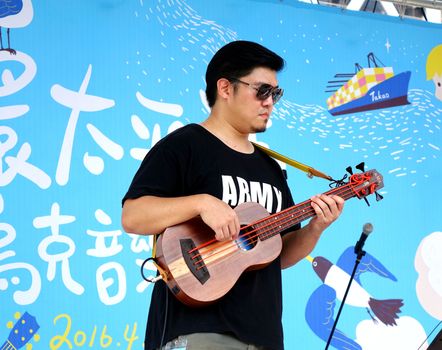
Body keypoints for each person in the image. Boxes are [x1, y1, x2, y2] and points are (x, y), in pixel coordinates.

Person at [121, 40, 344, 350]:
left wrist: (316, 227)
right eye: (262, 90)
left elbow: (279, 253)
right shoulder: (183, 146)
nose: (270, 102)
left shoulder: (270, 168)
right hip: (196, 332)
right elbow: (133, 216)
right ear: (225, 88)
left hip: (263, 337)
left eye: (275, 94)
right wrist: (201, 203)